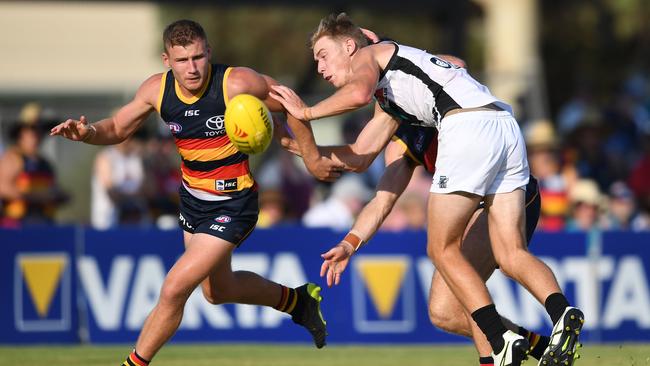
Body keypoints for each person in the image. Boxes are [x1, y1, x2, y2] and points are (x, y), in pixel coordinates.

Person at [270, 13, 583, 366]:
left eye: (323, 56)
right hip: (502, 125)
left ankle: (500, 341)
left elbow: (361, 90)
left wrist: (307, 113)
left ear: (351, 44)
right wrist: (349, 238)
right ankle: (560, 316)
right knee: (449, 306)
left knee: (440, 248)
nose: (320, 68)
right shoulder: (394, 107)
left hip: (467, 130)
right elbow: (359, 162)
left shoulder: (372, 57)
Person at [50, 20, 329, 366]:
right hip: (193, 201)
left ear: (209, 52)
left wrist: (312, 158)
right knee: (217, 292)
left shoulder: (236, 83)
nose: (193, 68)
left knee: (173, 288)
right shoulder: (157, 90)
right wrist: (88, 131)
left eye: (198, 57)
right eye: (183, 61)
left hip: (234, 202)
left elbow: (292, 103)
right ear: (167, 60)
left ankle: (133, 363)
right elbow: (119, 127)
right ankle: (297, 302)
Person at [0, 122, 68, 227]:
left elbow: (52, 188)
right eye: (32, 133)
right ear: (20, 136)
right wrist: (34, 197)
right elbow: (3, 187)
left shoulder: (44, 162)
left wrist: (59, 196)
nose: (36, 137)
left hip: (44, 222)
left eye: (38, 132)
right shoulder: (13, 158)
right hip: (16, 224)